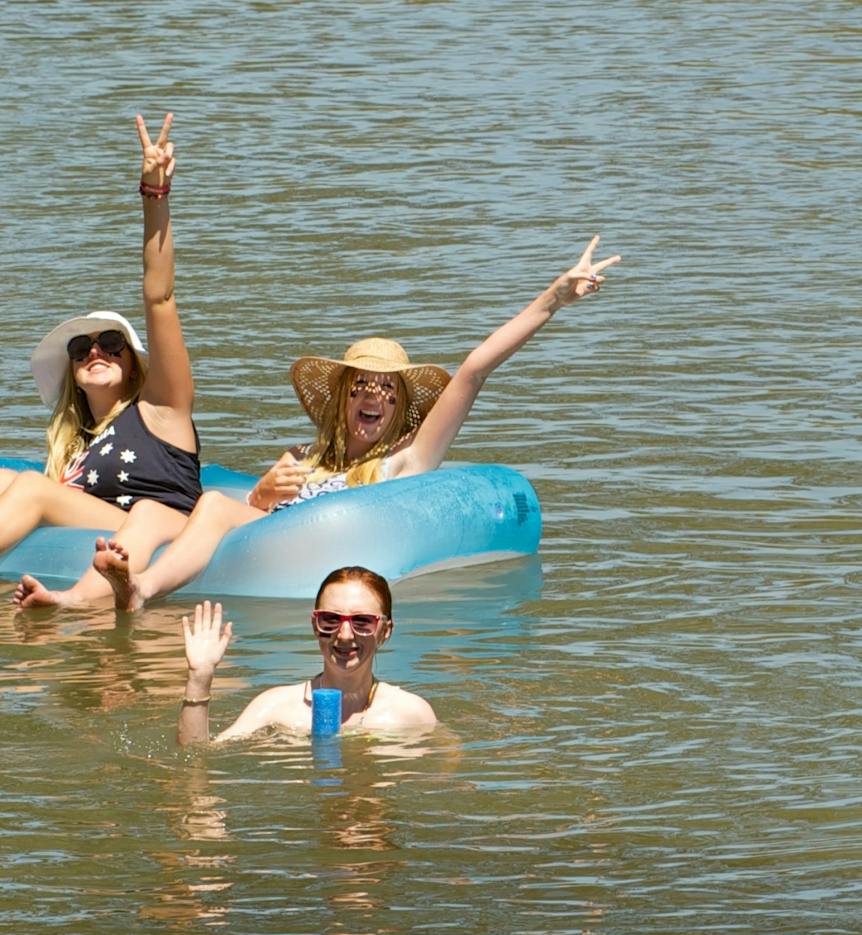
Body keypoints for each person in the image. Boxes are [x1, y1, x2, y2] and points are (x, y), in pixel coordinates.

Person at [23, 234, 619, 611]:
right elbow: (248, 512)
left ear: (399, 407)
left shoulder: (406, 459)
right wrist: (263, 490)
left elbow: (471, 372)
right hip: (267, 537)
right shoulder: (309, 461)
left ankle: (142, 589)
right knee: (211, 505)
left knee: (199, 510)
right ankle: (132, 591)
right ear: (341, 399)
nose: (371, 396)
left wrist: (551, 300)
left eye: (385, 390)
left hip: (338, 548)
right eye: (360, 385)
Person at [6, 114, 198, 600]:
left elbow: (160, 298)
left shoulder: (159, 411)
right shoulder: (76, 444)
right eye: (81, 348)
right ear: (72, 370)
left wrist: (155, 196)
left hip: (159, 528)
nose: (96, 351)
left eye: (112, 344)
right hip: (97, 526)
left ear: (133, 361)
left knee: (28, 488)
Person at [177, 565, 434, 744]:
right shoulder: (275, 707)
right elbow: (197, 762)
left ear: (385, 631)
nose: (345, 634)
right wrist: (199, 679)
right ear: (315, 625)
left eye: (362, 621)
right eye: (330, 619)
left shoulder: (411, 714)